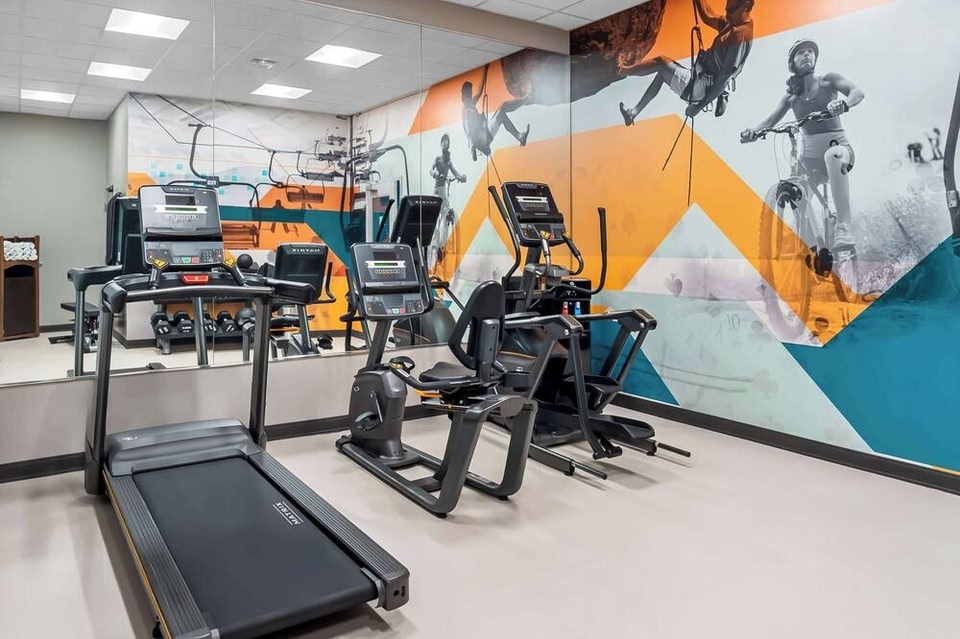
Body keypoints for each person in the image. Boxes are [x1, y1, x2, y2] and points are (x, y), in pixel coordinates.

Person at [741, 39, 865, 250]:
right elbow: (769, 121)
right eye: (800, 52)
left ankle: (844, 227)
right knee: (795, 187)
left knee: (833, 155)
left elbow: (857, 92)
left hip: (839, 151)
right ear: (792, 62)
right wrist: (753, 131)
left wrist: (844, 103)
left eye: (810, 51)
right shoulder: (791, 97)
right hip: (810, 161)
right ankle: (808, 246)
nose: (807, 54)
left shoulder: (828, 81)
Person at [617, 0, 755, 125]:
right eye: (727, 9)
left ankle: (620, 70)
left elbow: (724, 79)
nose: (727, 14)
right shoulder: (732, 23)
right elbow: (707, 15)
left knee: (661, 63)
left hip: (701, 88)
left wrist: (697, 108)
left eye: (731, 10)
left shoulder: (740, 36)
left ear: (746, 5)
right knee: (662, 75)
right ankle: (633, 113)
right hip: (699, 77)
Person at [461, 64, 530, 161]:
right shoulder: (466, 112)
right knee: (503, 107)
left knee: (502, 115)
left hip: (485, 132)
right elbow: (469, 133)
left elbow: (480, 91)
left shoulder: (471, 103)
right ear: (464, 96)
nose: (471, 95)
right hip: (483, 140)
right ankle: (527, 99)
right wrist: (481, 148)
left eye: (471, 93)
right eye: (469, 94)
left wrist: (485, 70)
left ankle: (520, 137)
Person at [429, 134, 466, 265]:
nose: (445, 143)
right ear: (441, 144)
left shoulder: (448, 162)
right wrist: (435, 174)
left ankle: (442, 246)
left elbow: (455, 172)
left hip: (445, 191)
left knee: (445, 217)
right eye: (444, 141)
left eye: (447, 141)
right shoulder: (438, 159)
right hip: (437, 191)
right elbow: (430, 170)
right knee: (436, 219)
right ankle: (434, 244)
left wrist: (461, 177)